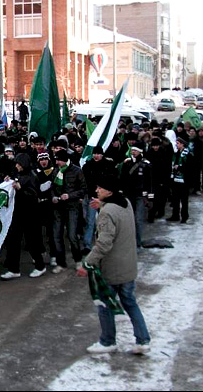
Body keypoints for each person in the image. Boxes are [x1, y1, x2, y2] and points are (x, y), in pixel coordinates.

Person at [78, 175, 151, 355]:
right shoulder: (125, 202)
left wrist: (87, 263)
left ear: (109, 191)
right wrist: (102, 205)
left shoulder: (106, 213)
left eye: (100, 188)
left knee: (104, 304)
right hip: (128, 266)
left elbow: (104, 243)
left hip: (112, 269)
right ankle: (143, 340)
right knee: (130, 303)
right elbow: (116, 216)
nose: (96, 191)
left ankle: (108, 341)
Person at [1, 154, 47, 280]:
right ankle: (13, 269)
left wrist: (20, 189)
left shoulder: (32, 176)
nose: (17, 166)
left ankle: (40, 266)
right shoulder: (17, 175)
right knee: (13, 242)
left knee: (32, 242)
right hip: (17, 214)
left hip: (30, 215)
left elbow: (33, 195)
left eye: (19, 164)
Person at [51, 149, 87, 273]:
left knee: (72, 235)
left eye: (58, 160)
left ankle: (78, 260)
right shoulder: (56, 171)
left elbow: (83, 189)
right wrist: (53, 197)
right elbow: (52, 187)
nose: (56, 162)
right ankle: (61, 263)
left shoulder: (77, 171)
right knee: (57, 236)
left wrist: (70, 196)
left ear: (64, 160)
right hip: (58, 208)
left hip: (72, 207)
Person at [81, 146, 116, 254]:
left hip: (105, 198)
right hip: (92, 196)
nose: (96, 156)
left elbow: (113, 179)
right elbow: (83, 181)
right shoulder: (87, 166)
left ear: (102, 154)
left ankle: (106, 241)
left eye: (98, 154)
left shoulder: (108, 165)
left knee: (105, 220)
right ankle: (87, 244)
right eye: (95, 153)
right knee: (90, 221)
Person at [119, 142, 153, 248]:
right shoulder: (127, 163)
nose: (133, 152)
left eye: (135, 150)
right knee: (129, 219)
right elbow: (123, 179)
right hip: (129, 195)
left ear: (140, 151)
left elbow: (150, 182)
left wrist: (150, 198)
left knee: (138, 219)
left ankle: (137, 243)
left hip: (140, 195)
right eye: (132, 150)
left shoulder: (146, 165)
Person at [168, 137, 190, 223]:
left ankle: (184, 216)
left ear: (182, 144)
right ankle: (175, 215)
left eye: (178, 143)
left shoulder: (187, 154)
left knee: (184, 200)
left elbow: (190, 167)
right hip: (175, 180)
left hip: (184, 180)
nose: (177, 145)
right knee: (175, 199)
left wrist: (180, 167)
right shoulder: (176, 154)